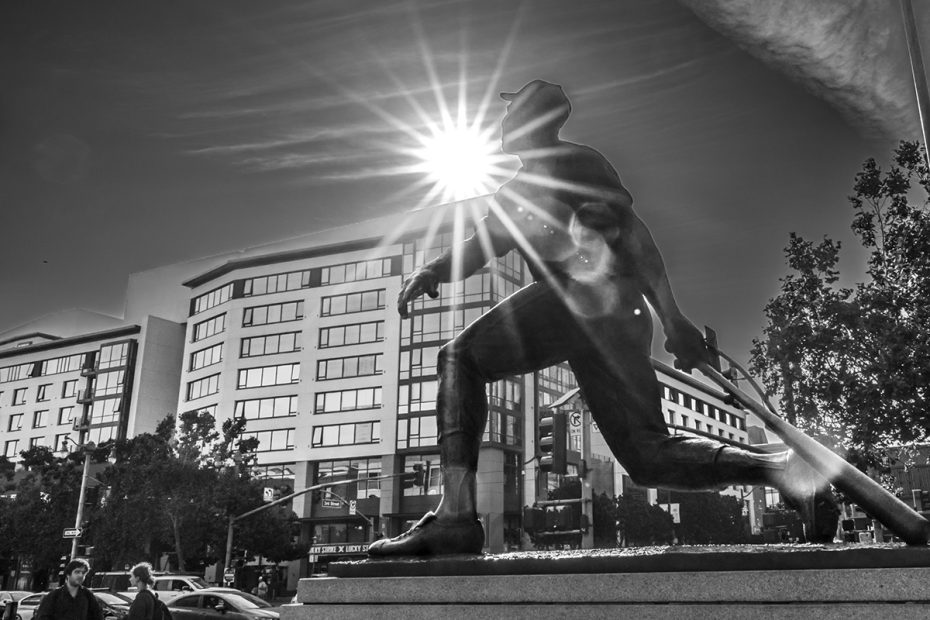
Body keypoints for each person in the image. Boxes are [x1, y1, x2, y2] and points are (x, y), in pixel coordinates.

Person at [368, 79, 839, 556]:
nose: (501, 126)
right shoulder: (515, 193)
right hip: (617, 317)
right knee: (649, 459)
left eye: (509, 116)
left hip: (580, 298)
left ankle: (454, 518)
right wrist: (432, 269)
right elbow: (480, 247)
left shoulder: (575, 163)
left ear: (531, 120)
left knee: (458, 361)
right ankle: (781, 466)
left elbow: (634, 237)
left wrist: (675, 318)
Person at [34, 559, 103, 620]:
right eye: (77, 572)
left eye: (83, 573)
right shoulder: (54, 596)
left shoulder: (88, 596)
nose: (81, 575)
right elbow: (42, 617)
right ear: (68, 574)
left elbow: (98, 616)